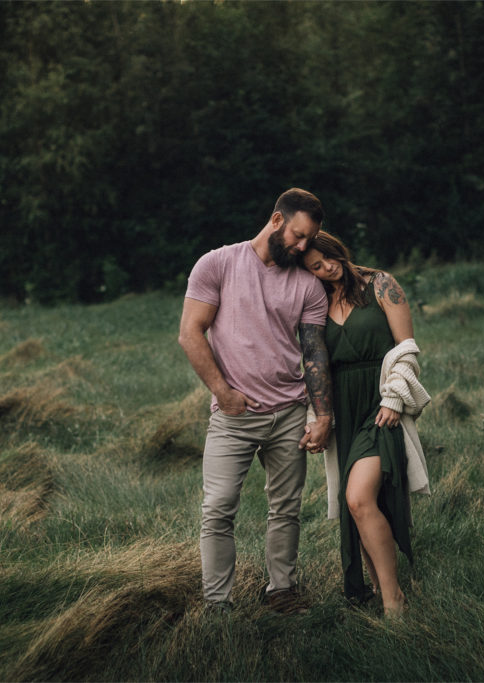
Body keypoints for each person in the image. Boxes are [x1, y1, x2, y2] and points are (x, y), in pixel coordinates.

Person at [178, 188, 334, 614]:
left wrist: (322, 414)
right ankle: (217, 603)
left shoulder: (308, 285)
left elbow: (315, 352)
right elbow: (191, 332)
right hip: (233, 416)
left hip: (288, 414)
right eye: (299, 236)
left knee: (286, 509)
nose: (303, 247)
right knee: (218, 508)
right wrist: (223, 393)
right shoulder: (218, 264)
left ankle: (281, 591)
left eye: (310, 240)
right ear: (277, 220)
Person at [302, 230, 430, 618]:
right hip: (343, 407)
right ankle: (377, 583)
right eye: (315, 268)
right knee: (357, 503)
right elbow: (314, 364)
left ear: (336, 248)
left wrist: (393, 397)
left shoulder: (381, 284)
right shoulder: (316, 302)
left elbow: (407, 347)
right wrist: (317, 416)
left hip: (379, 406)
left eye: (326, 259)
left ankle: (394, 602)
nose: (326, 269)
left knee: (358, 497)